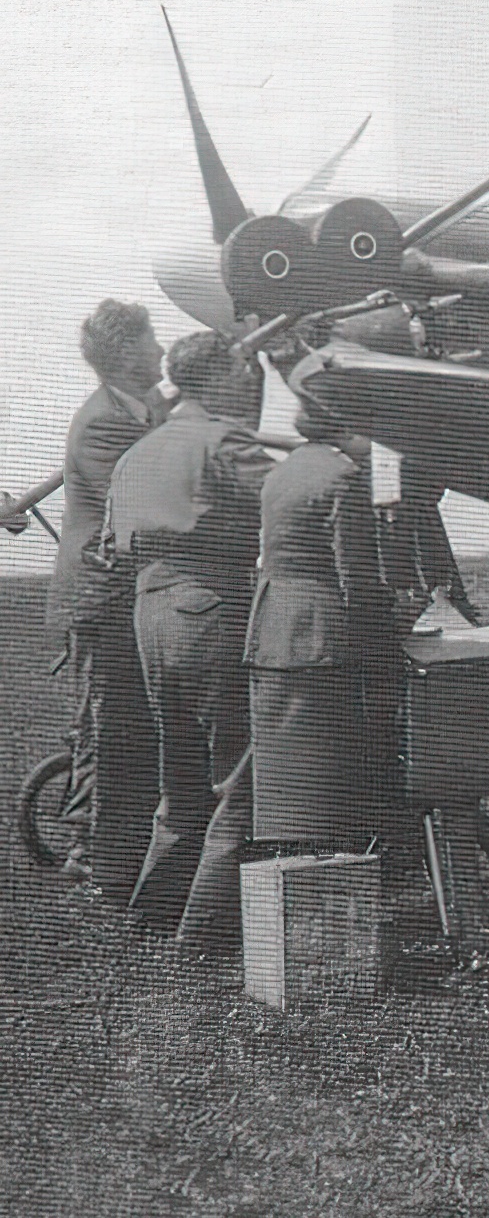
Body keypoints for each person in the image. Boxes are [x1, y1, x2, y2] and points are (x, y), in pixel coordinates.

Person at [106, 332, 274, 951]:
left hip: (148, 613)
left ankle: (154, 912)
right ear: (215, 379)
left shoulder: (139, 452)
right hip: (208, 605)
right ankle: (203, 933)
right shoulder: (223, 440)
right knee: (238, 776)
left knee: (179, 778)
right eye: (241, 370)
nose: (250, 382)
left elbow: (110, 546)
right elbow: (290, 503)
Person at [43, 300, 167, 895]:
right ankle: (90, 852)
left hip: (121, 593)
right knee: (108, 725)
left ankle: (108, 843)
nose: (163, 350)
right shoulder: (104, 423)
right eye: (152, 341)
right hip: (104, 599)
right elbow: (139, 503)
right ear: (124, 354)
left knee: (120, 722)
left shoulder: (142, 408)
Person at [246, 398, 399, 846]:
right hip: (318, 632)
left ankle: (292, 851)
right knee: (330, 762)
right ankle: (338, 857)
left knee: (287, 768)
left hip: (271, 624)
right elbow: (354, 571)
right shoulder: (343, 477)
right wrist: (387, 625)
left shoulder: (281, 473)